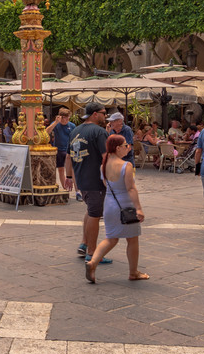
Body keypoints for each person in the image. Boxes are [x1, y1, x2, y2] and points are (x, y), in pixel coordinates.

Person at [84, 135, 147, 283]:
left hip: (110, 204)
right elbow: (131, 188)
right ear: (117, 148)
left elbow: (107, 185)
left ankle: (93, 262)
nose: (128, 148)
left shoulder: (103, 165)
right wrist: (138, 208)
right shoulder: (126, 165)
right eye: (126, 145)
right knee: (132, 239)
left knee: (111, 238)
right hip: (125, 205)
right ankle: (133, 272)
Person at [65, 103, 110, 264]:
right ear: (95, 114)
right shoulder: (99, 132)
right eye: (104, 113)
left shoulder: (75, 130)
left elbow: (69, 156)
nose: (106, 116)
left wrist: (68, 176)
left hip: (81, 180)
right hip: (95, 180)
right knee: (95, 215)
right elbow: (106, 157)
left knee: (90, 210)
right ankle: (92, 252)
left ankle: (84, 243)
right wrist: (111, 178)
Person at [47, 108, 75, 191]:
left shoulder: (72, 125)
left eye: (68, 117)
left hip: (69, 150)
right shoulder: (56, 124)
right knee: (61, 169)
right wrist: (56, 122)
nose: (67, 119)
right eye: (65, 117)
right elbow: (46, 132)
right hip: (59, 150)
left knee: (71, 169)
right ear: (60, 117)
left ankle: (74, 186)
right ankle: (65, 187)